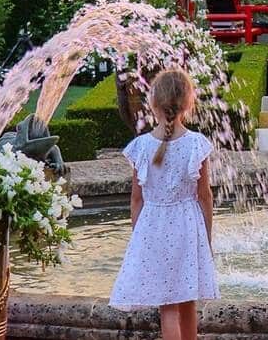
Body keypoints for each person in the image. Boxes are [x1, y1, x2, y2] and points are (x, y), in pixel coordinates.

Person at [109, 69, 218, 340]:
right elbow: (204, 196)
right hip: (187, 225)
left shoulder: (141, 147)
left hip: (154, 226)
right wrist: (207, 235)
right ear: (188, 103)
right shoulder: (196, 145)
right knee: (188, 297)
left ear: (153, 103)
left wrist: (140, 235)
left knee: (167, 304)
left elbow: (136, 199)